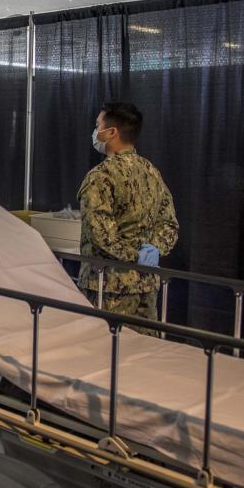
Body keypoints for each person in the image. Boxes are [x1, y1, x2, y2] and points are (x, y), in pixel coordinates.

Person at [77, 102, 179, 335]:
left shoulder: (100, 177)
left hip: (109, 287)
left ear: (112, 132)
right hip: (147, 286)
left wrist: (133, 256)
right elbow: (169, 225)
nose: (95, 132)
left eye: (97, 126)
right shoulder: (151, 171)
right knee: (143, 358)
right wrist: (153, 250)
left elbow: (100, 234)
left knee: (105, 356)